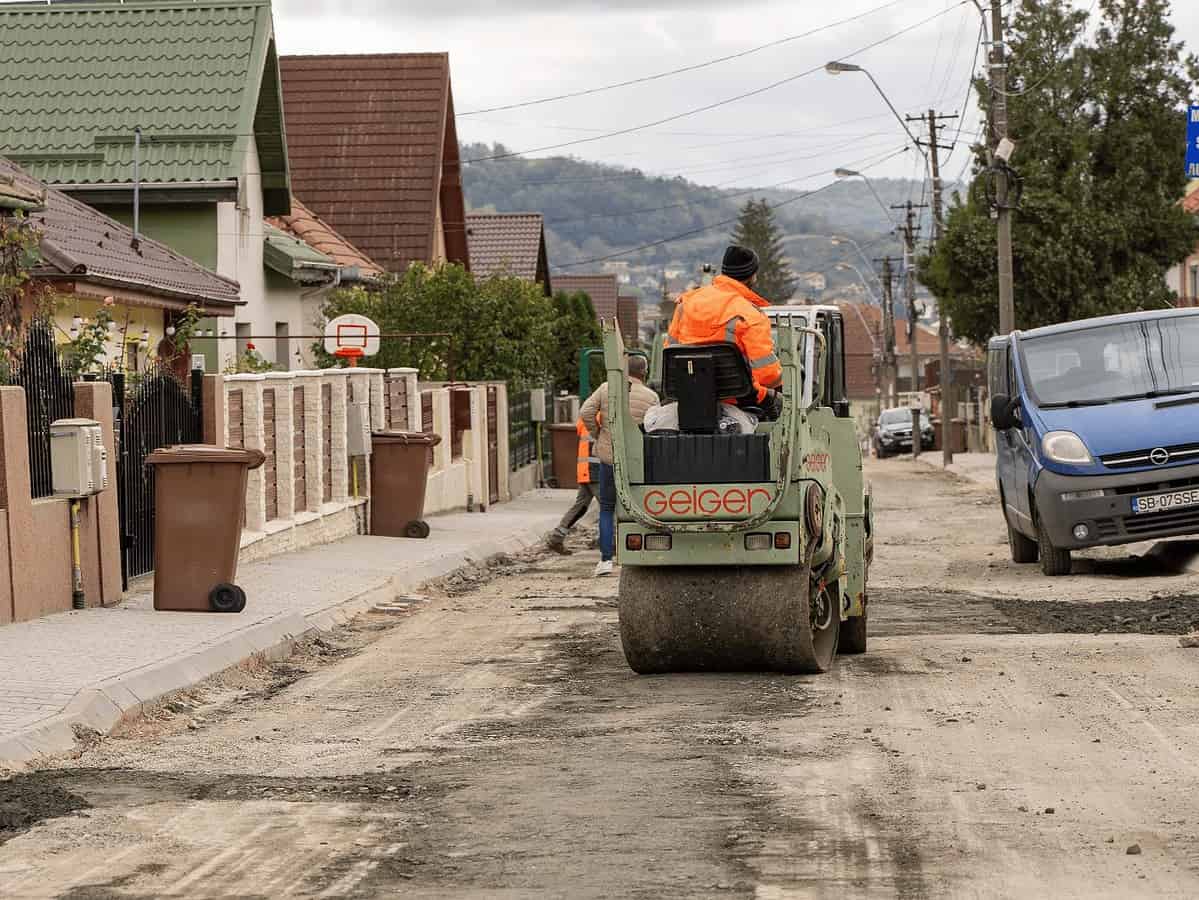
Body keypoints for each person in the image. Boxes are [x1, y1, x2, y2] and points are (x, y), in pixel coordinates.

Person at [667, 245, 784, 418]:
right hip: (738, 399)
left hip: (689, 394)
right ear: (752, 276)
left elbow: (670, 354)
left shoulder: (685, 304)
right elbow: (768, 375)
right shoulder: (750, 314)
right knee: (782, 404)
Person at [580, 355, 659, 577]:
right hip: (636, 460)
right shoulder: (651, 396)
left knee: (606, 508)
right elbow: (656, 426)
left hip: (609, 457)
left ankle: (606, 560)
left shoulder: (606, 389)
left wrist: (599, 434)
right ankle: (640, 556)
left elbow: (586, 412)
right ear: (644, 372)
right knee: (638, 507)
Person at [545, 419, 599, 555]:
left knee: (580, 507)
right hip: (596, 471)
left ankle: (556, 538)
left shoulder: (587, 417)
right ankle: (608, 541)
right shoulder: (602, 416)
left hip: (586, 470)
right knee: (609, 507)